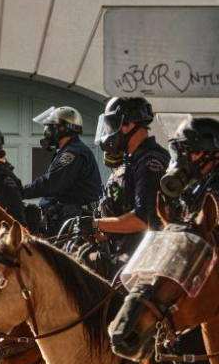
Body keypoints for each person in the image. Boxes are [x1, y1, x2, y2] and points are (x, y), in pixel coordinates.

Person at [94, 96, 169, 253]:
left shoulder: (150, 163)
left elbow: (143, 219)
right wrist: (102, 231)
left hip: (146, 256)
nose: (109, 133)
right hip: (125, 250)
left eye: (112, 126)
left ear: (128, 125)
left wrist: (96, 224)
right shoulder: (131, 161)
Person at [23, 107, 103, 236]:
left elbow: (51, 184)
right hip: (64, 219)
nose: (46, 132)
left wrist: (20, 191)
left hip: (71, 223)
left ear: (60, 129)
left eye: (49, 127)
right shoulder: (67, 151)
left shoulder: (73, 153)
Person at [161, 116, 219, 217]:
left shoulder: (215, 189)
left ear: (215, 154)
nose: (186, 160)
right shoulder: (195, 186)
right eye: (182, 153)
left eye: (195, 152)